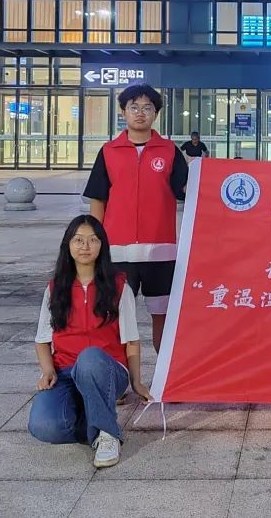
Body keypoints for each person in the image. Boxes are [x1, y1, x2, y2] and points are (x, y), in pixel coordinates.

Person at [29, 215, 152, 469]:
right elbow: (42, 340)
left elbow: (131, 340)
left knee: (89, 357)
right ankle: (94, 414)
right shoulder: (55, 289)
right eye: (78, 240)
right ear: (68, 245)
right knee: (44, 426)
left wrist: (136, 382)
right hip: (66, 372)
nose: (85, 247)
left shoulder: (119, 287)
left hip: (107, 370)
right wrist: (48, 371)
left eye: (93, 240)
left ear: (102, 246)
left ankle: (107, 434)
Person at [83, 84, 187, 353]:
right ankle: (116, 374)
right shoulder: (109, 151)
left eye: (147, 108)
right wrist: (94, 244)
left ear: (156, 114)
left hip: (161, 252)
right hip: (117, 252)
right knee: (114, 316)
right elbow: (98, 200)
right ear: (123, 112)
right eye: (134, 107)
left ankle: (163, 374)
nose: (140, 113)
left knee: (163, 317)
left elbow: (187, 190)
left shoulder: (169, 151)